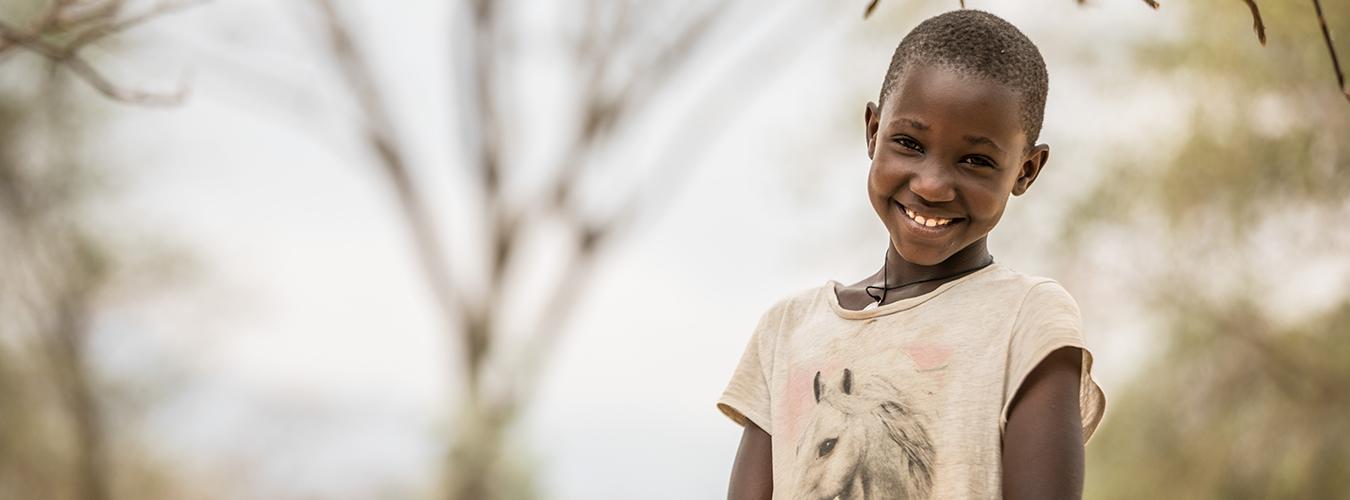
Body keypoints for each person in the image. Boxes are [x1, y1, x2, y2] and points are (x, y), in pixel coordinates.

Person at [717, 9, 1106, 500]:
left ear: (1026, 171)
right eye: (908, 143)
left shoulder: (1029, 320)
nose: (932, 184)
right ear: (872, 132)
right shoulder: (787, 330)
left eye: (976, 161)